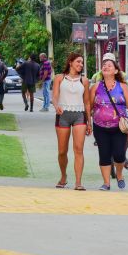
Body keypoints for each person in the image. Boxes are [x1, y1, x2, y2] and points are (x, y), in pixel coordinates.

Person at [90, 53, 128, 191]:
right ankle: (106, 183)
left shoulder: (122, 87)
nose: (106, 66)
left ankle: (119, 175)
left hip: (118, 126)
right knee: (104, 154)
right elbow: (89, 106)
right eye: (104, 65)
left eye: (109, 65)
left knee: (119, 154)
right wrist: (88, 121)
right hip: (99, 126)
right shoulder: (95, 87)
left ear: (116, 70)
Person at [51, 52, 91, 191]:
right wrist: (56, 107)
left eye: (82, 63)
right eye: (78, 62)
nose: (80, 64)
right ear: (70, 62)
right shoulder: (59, 78)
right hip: (63, 115)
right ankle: (63, 176)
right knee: (62, 151)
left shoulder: (84, 81)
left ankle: (78, 182)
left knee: (78, 150)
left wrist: (89, 123)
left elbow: (87, 103)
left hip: (79, 115)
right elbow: (55, 97)